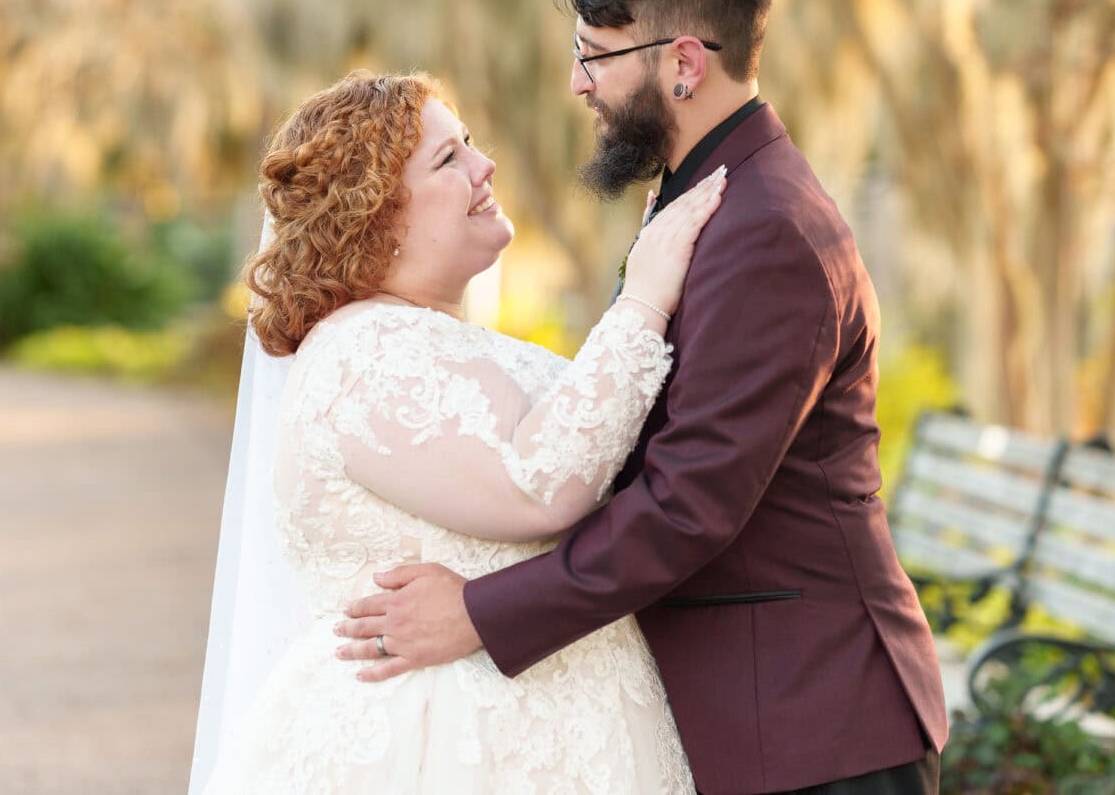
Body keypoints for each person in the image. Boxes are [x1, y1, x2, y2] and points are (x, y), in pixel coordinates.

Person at [334, 0, 949, 794]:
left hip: (815, 724)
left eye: (595, 55)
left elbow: (687, 504)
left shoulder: (766, 229)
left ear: (684, 63)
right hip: (766, 712)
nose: (579, 84)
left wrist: (476, 612)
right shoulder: (712, 193)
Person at [192, 69, 727, 793]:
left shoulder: (419, 338)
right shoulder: (365, 355)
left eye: (469, 143)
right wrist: (645, 299)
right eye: (450, 159)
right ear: (374, 215)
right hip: (439, 748)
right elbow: (538, 485)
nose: (487, 166)